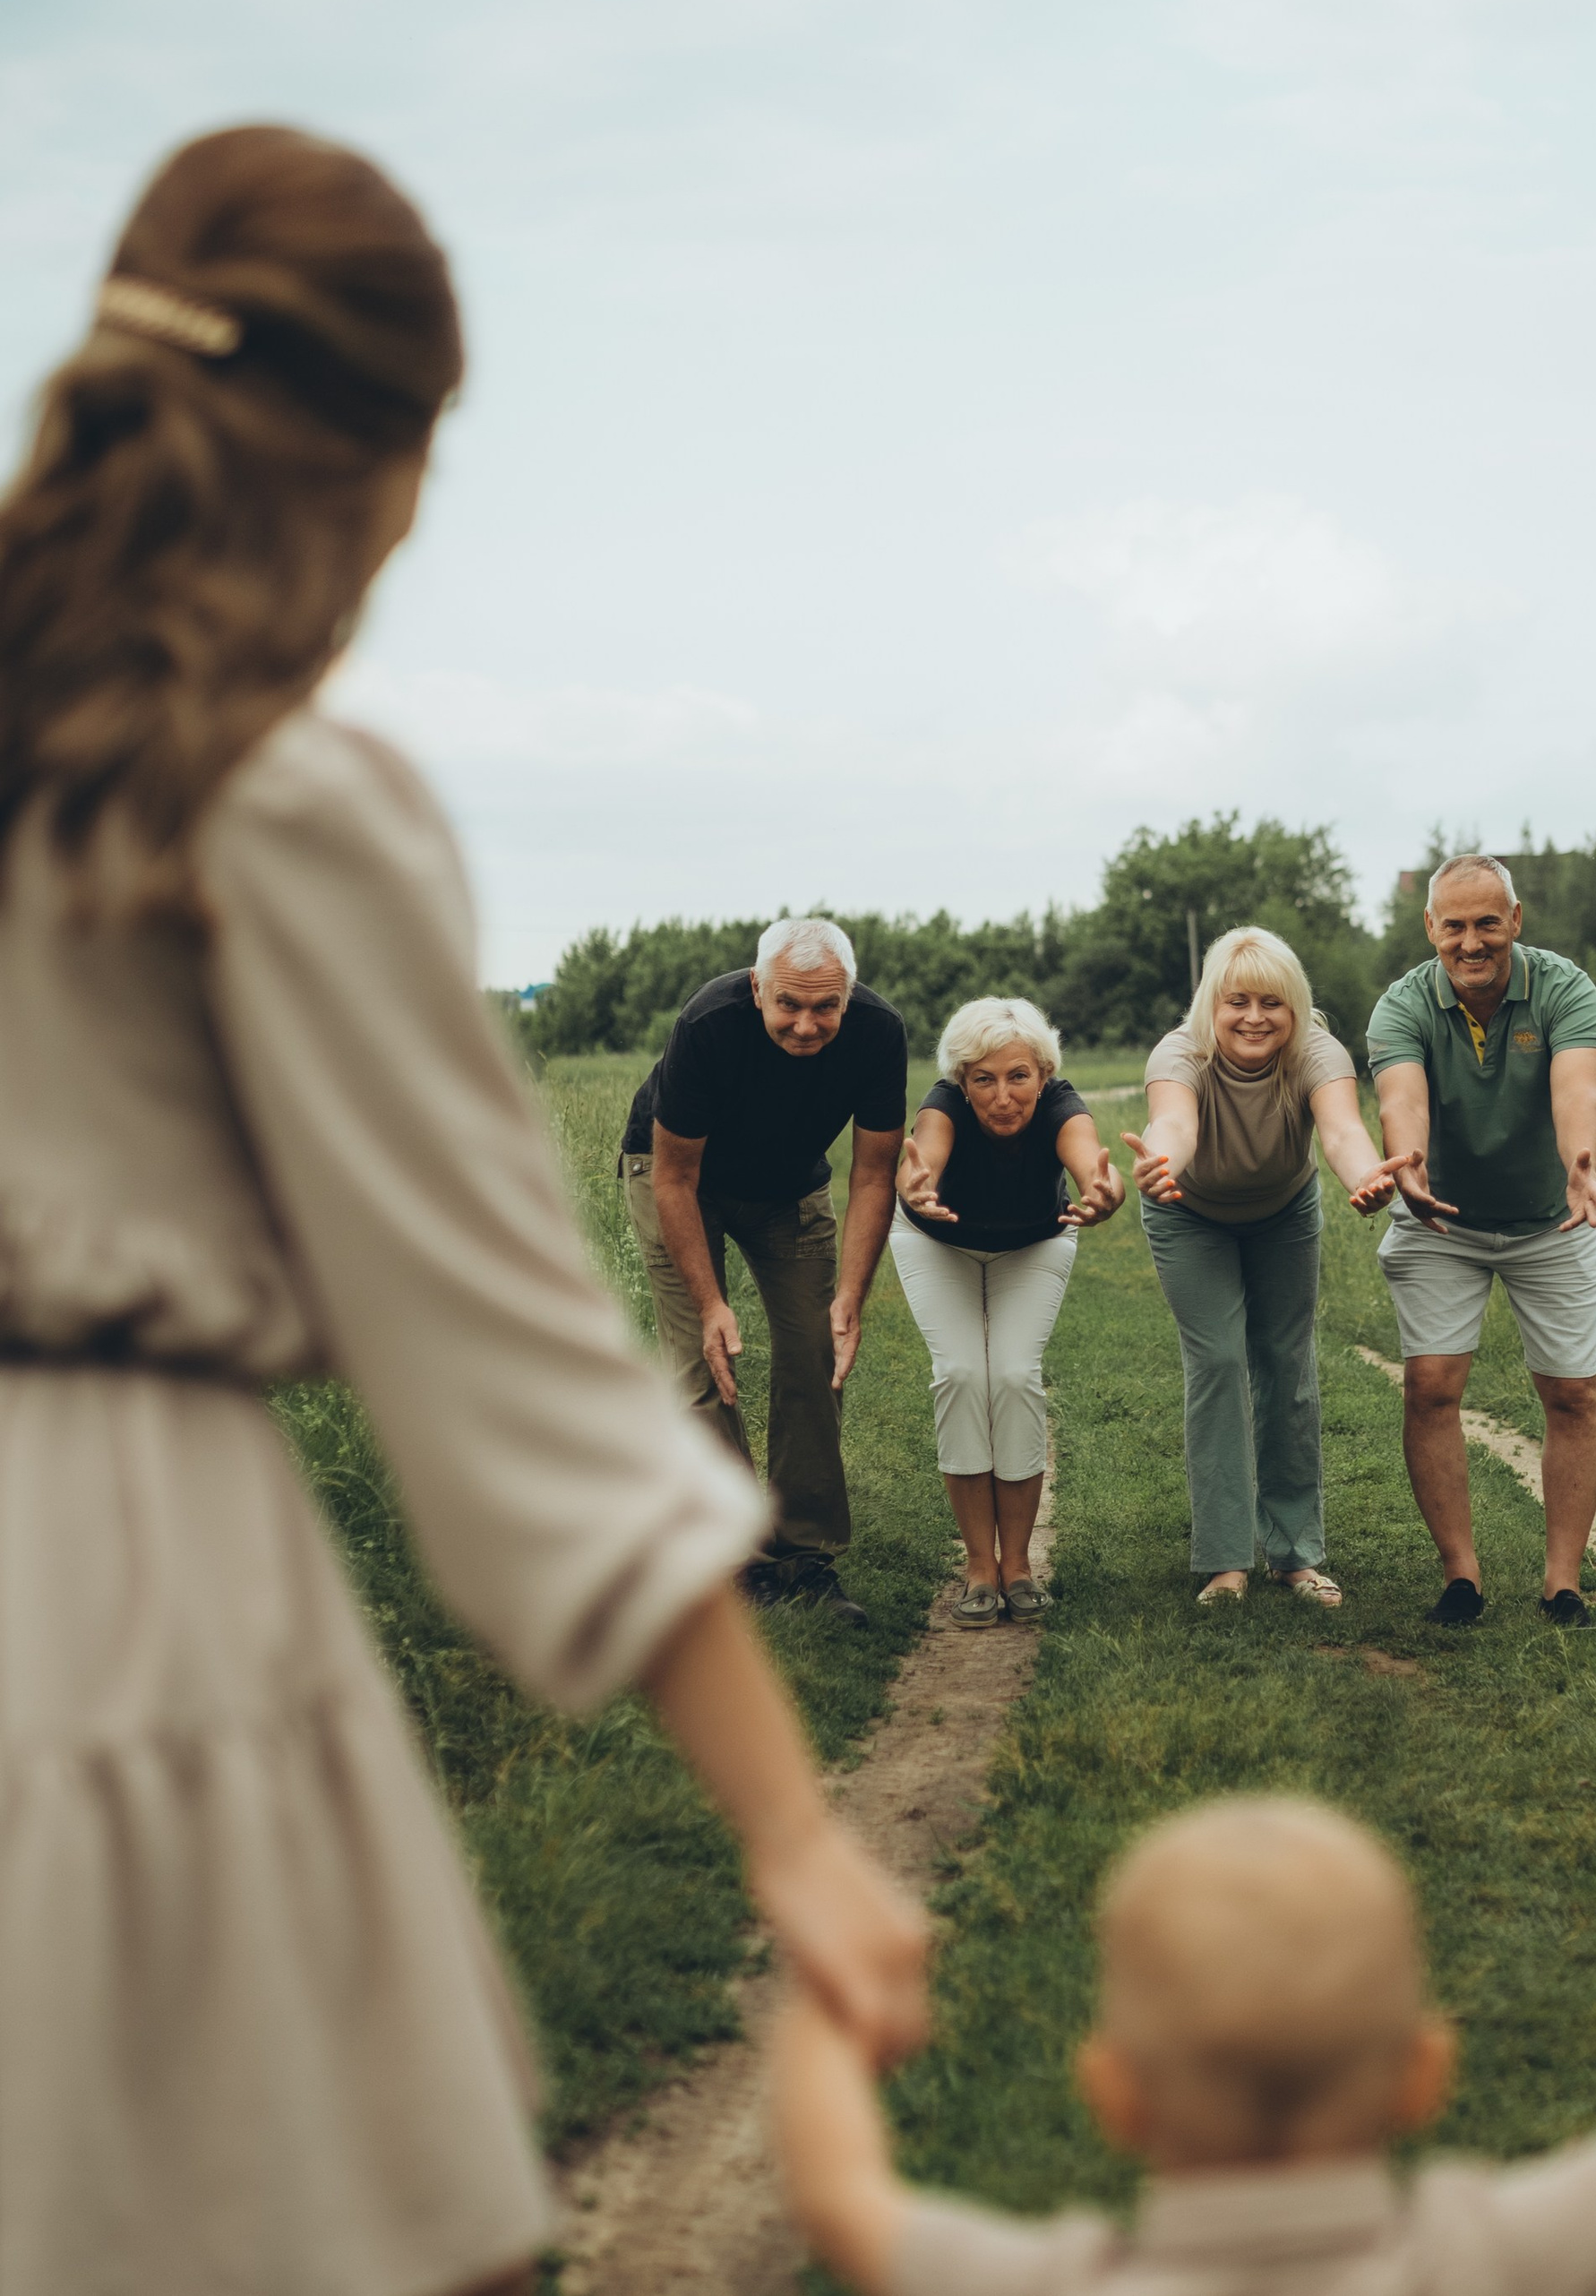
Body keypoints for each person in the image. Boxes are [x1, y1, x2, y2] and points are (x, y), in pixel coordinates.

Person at [0, 128, 926, 2296]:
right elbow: (508, 1365)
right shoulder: (269, 798)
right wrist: (796, 1831)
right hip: (123, 1615)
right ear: (377, 453)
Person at [776, 1795, 1596, 2296]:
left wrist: (830, 2003)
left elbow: (843, 2198)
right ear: (1426, 2074)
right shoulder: (1482, 2263)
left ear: (1112, 2094)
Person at [620, 916, 905, 1625]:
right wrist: (713, 1303)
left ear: (848, 995)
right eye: (789, 1004)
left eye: (825, 1006)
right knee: (701, 1359)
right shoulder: (709, 1023)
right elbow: (675, 1179)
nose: (807, 1024)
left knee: (818, 1350)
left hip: (790, 1188)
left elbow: (874, 1175)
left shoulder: (878, 1032)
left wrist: (851, 1296)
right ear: (757, 988)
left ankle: (804, 1555)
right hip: (678, 1179)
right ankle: (740, 1559)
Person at [1122, 927, 1413, 1608]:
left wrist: (1367, 1174)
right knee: (1220, 1361)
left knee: (1287, 1365)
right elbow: (1175, 1124)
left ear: (1295, 1006)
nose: (1255, 1017)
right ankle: (1225, 1562)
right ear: (1211, 1006)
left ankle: (1294, 1554)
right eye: (1238, 1001)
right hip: (1187, 1210)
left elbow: (1341, 1129)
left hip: (1283, 1213)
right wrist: (1159, 1164)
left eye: (1272, 1003)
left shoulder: (1317, 1051)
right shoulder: (1180, 1052)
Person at [1364, 856, 1596, 1629]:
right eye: (1454, 926)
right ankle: (1461, 1576)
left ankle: (1562, 1582)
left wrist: (1582, 1163)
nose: (1472, 943)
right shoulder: (1401, 1005)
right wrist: (1407, 1162)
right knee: (1431, 1384)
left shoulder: (1566, 988)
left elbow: (1578, 1087)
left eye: (1487, 923)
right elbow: (1402, 1096)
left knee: (1573, 1392)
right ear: (1430, 927)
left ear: (1517, 919)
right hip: (1442, 1218)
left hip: (1553, 1215)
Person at [888, 995, 1123, 1628]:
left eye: (1018, 1076)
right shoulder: (942, 1106)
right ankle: (978, 1565)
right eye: (983, 1079)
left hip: (1033, 1241)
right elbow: (926, 1157)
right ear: (962, 1082)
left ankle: (1017, 1564)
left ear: (1043, 1075)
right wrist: (918, 1185)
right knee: (963, 1374)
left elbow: (1091, 1161)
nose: (1002, 1095)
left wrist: (1107, 1191)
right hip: (937, 1240)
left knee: (1014, 1376)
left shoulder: (1060, 1104)